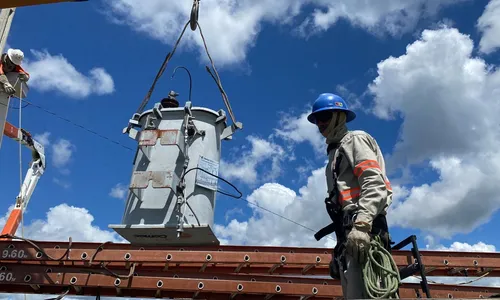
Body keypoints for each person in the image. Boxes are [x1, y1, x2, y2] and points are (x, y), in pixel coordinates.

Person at [309, 93, 394, 299]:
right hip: (349, 234)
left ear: (340, 116)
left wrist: (363, 225)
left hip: (364, 231)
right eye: (317, 120)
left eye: (326, 117)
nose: (321, 124)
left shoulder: (355, 140)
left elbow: (374, 184)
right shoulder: (335, 153)